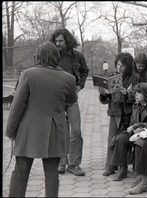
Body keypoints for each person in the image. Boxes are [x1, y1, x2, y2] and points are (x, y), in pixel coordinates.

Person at [5, 42, 77, 197]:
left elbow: (17, 106)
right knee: (52, 176)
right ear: (57, 57)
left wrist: (11, 131)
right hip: (55, 130)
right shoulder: (69, 79)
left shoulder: (28, 74)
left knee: (20, 173)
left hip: (28, 130)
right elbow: (70, 101)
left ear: (38, 56)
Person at [50, 28, 89, 176]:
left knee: (76, 131)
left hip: (72, 98)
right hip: (56, 99)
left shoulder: (77, 56)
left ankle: (74, 164)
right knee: (61, 131)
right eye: (56, 41)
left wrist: (80, 86)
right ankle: (62, 162)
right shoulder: (52, 55)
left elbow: (85, 71)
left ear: (67, 40)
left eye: (61, 41)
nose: (58, 43)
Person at [109, 82, 147, 181]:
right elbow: (132, 122)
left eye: (139, 93)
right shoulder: (136, 105)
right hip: (137, 132)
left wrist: (137, 126)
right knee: (120, 139)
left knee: (139, 143)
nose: (136, 95)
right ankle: (122, 169)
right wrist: (134, 128)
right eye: (135, 92)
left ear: (146, 94)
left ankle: (141, 175)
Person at [99, 52, 139, 178]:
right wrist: (104, 93)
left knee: (122, 139)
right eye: (118, 65)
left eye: (122, 66)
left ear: (128, 66)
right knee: (111, 139)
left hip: (127, 113)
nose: (119, 68)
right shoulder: (113, 77)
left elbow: (138, 97)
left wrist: (126, 94)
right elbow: (106, 100)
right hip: (114, 112)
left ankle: (123, 167)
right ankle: (110, 166)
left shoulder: (134, 78)